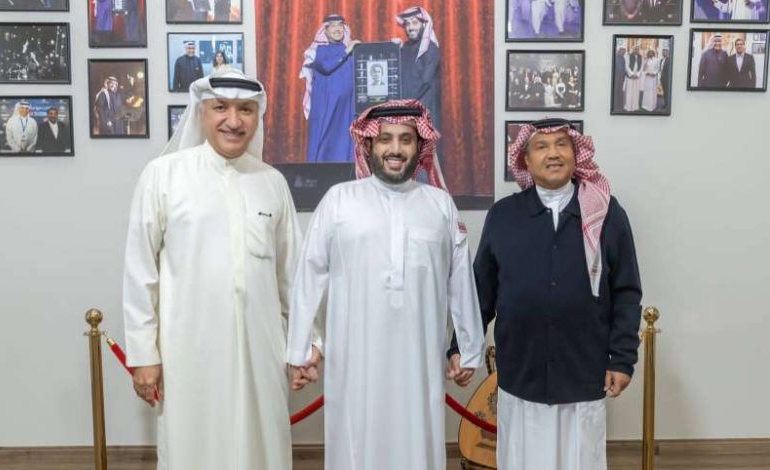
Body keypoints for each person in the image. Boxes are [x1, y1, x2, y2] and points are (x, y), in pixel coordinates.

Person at [286, 99, 485, 470]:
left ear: (419, 145)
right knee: (356, 443)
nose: (395, 149)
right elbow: (308, 275)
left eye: (406, 139)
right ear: (369, 145)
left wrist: (469, 349)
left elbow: (460, 281)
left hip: (419, 359)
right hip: (354, 361)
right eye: (385, 139)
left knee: (417, 443)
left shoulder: (439, 204)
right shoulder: (339, 200)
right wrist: (300, 348)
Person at [123, 70, 299, 470]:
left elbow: (292, 277)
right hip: (188, 351)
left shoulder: (272, 182)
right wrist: (144, 354)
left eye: (246, 110)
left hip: (261, 351)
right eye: (221, 108)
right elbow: (139, 272)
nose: (233, 121)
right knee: (193, 448)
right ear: (201, 112)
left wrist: (303, 346)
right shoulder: (163, 175)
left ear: (257, 117)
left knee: (262, 449)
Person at [450, 118, 642, 470]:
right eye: (541, 146)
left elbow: (626, 292)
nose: (553, 154)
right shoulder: (504, 215)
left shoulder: (606, 213)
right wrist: (461, 347)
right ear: (525, 160)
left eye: (561, 144)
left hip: (583, 373)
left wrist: (622, 358)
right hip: (521, 375)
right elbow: (481, 293)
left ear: (575, 154)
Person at [300, 14, 359, 163]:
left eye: (340, 25)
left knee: (346, 146)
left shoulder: (351, 49)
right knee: (324, 148)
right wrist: (346, 52)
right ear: (325, 31)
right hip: (327, 110)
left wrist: (394, 46)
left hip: (347, 110)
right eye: (332, 25)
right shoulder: (318, 51)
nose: (337, 29)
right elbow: (326, 66)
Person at [396, 6, 442, 132]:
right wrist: (393, 49)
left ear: (424, 24)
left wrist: (398, 103)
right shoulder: (405, 47)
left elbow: (423, 83)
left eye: (415, 23)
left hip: (425, 114)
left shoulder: (430, 48)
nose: (410, 27)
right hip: (408, 113)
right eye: (407, 24)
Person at [623, 45, 642, 111]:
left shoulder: (640, 57)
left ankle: (635, 106)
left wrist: (637, 75)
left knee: (636, 92)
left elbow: (641, 67)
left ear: (639, 50)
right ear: (633, 49)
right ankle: (628, 106)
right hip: (630, 76)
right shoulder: (628, 56)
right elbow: (626, 66)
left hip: (636, 77)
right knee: (629, 91)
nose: (636, 50)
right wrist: (631, 74)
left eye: (637, 49)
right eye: (635, 49)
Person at [613, 46, 627, 111]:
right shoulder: (615, 57)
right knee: (615, 91)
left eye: (624, 52)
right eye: (623, 51)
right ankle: (615, 106)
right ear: (619, 51)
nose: (624, 53)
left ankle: (619, 106)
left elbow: (623, 68)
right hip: (616, 78)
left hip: (621, 78)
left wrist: (625, 76)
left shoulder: (623, 58)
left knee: (620, 91)